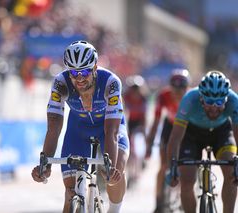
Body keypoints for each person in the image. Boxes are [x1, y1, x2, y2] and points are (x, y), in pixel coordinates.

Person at [31, 40, 130, 213]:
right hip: (78, 130)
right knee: (70, 192)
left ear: (94, 67)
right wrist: (45, 163)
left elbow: (112, 132)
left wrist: (110, 167)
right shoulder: (60, 84)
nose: (79, 78)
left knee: (115, 174)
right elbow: (53, 128)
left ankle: (114, 210)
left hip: (109, 128)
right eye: (74, 72)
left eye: (84, 71)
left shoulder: (111, 83)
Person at [166, 71, 238, 213]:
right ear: (201, 98)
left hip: (221, 132)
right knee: (186, 182)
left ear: (226, 99)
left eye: (219, 102)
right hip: (192, 134)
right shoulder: (189, 99)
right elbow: (175, 138)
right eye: (209, 102)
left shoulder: (234, 101)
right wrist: (172, 168)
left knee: (231, 174)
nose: (214, 107)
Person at [145, 69, 190, 213]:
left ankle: (186, 196)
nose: (177, 93)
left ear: (186, 88)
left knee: (186, 166)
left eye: (181, 89)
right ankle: (158, 201)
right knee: (164, 165)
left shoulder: (191, 97)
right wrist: (150, 143)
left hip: (188, 128)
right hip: (169, 126)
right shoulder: (163, 96)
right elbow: (156, 121)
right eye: (174, 89)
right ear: (170, 87)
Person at [123, 75, 148, 188]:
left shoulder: (143, 99)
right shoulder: (125, 97)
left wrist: (144, 130)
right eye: (133, 89)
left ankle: (139, 166)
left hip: (138, 122)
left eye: (136, 89)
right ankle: (129, 169)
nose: (135, 92)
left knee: (138, 147)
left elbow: (144, 117)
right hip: (128, 122)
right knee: (129, 148)